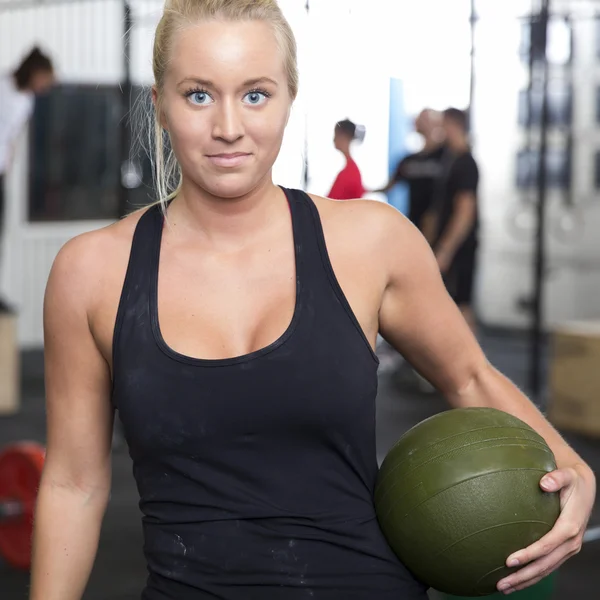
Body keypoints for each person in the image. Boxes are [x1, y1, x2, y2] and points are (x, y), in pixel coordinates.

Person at [31, 1, 595, 599]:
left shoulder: (371, 242)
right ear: (160, 105)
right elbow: (73, 484)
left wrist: (570, 463)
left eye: (255, 95)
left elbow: (470, 376)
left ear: (289, 99)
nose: (228, 126)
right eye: (199, 95)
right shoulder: (92, 272)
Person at [0, 47, 54, 311]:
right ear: (34, 72)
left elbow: (12, 137)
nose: (45, 86)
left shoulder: (27, 100)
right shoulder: (3, 88)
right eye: (44, 78)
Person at [422, 108, 479, 331]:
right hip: (444, 245)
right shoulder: (448, 161)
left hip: (460, 248)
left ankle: (472, 364)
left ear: (453, 125)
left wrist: (446, 250)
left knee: (462, 306)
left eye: (442, 125)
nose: (439, 130)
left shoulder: (466, 163)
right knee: (444, 304)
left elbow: (465, 212)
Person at [375, 108, 445, 231]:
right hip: (416, 224)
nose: (424, 123)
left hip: (440, 226)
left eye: (427, 119)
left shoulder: (446, 156)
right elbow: (389, 186)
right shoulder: (409, 160)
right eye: (421, 119)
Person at [327, 118, 365, 200]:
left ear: (344, 137)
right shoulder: (351, 169)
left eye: (336, 135)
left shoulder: (349, 172)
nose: (334, 139)